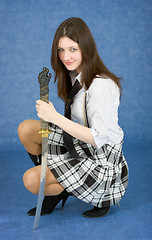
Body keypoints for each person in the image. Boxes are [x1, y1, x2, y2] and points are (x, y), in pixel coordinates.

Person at [18, 17, 128, 218]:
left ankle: (64, 187)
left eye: (72, 49)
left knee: (32, 180)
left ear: (86, 47)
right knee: (26, 129)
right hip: (82, 145)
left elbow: (98, 137)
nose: (66, 56)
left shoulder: (101, 85)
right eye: (61, 50)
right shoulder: (73, 75)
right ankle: (60, 184)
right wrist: (52, 117)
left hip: (102, 159)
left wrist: (55, 118)